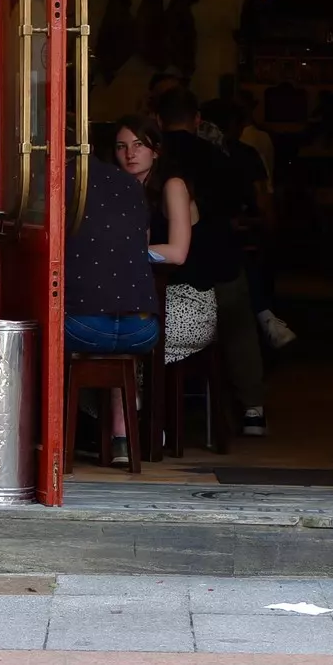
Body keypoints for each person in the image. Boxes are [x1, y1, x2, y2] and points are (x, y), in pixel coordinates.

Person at [152, 87, 269, 436]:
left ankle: (153, 411)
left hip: (168, 268)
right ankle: (253, 410)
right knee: (238, 326)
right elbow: (241, 207)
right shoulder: (220, 156)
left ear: (158, 121)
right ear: (198, 120)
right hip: (219, 259)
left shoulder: (152, 160)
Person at [65, 121, 160, 468]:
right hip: (142, 330)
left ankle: (55, 440)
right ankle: (121, 439)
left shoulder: (58, 182)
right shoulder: (131, 187)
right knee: (117, 342)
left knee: (37, 336)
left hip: (85, 328)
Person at [114, 117, 218, 366]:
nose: (130, 153)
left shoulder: (173, 185)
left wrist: (123, 253)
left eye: (139, 145)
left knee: (116, 336)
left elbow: (177, 253)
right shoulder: (127, 192)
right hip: (150, 300)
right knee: (98, 333)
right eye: (121, 146)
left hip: (189, 302)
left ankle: (134, 401)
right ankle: (129, 401)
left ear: (156, 151)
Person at [205, 95, 293, 351]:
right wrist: (267, 226)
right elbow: (261, 197)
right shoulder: (244, 155)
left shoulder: (203, 157)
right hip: (239, 239)